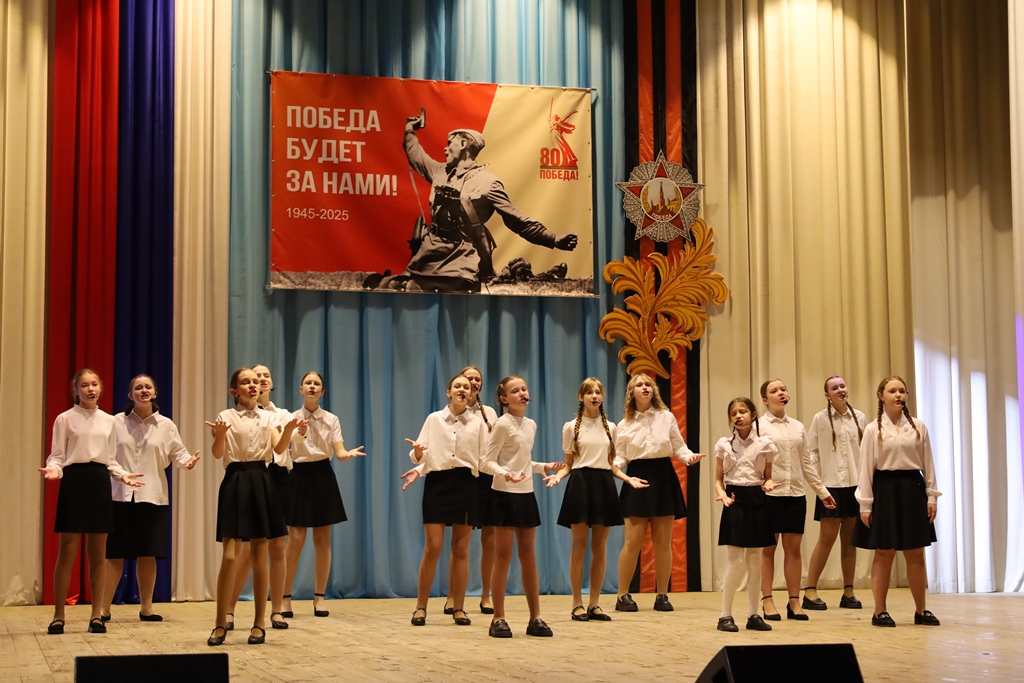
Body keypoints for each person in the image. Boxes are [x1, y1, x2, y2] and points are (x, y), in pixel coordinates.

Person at [368, 111, 579, 293]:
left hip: (461, 259)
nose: (445, 149)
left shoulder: (488, 183)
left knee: (444, 291)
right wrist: (409, 130)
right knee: (394, 286)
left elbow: (517, 220)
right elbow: (416, 156)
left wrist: (552, 238)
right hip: (427, 255)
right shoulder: (439, 172)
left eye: (449, 143)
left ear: (463, 144)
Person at [39, 369, 144, 635]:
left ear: (101, 388)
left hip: (99, 483)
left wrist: (122, 475)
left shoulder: (109, 421)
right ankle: (59, 615)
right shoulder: (64, 419)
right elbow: (57, 456)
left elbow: (110, 459)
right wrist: (54, 470)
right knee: (67, 552)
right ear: (76, 389)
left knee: (98, 554)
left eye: (94, 384)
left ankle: (96, 615)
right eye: (85, 385)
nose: (90, 389)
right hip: (74, 482)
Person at [204, 368, 303, 646]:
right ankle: (220, 622)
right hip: (235, 480)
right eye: (245, 382)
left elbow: (279, 449)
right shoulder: (226, 416)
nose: (253, 385)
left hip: (262, 479)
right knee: (230, 556)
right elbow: (217, 453)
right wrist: (220, 435)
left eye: (255, 382)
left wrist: (289, 431)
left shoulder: (270, 417)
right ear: (234, 391)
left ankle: (259, 623)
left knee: (261, 555)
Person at [544, 378, 647, 622]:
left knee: (600, 546)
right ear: (581, 397)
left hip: (604, 485)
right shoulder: (571, 427)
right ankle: (577, 604)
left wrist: (628, 479)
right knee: (579, 545)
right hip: (580, 484)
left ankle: (594, 604)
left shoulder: (611, 427)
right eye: (589, 392)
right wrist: (557, 477)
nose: (594, 396)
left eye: (598, 392)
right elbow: (568, 464)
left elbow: (611, 465)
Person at [400, 365, 499, 616]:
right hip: (438, 484)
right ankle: (421, 607)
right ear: (449, 392)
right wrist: (418, 457)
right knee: (433, 547)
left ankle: (459, 608)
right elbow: (421, 454)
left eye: (467, 387)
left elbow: (485, 460)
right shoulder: (434, 419)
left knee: (461, 549)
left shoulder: (479, 423)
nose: (463, 389)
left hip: (466, 484)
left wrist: (508, 473)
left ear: (472, 393)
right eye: (458, 386)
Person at [101, 374, 200, 622]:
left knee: (148, 553)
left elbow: (178, 453)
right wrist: (123, 476)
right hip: (120, 495)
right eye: (138, 387)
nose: (143, 390)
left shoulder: (166, 425)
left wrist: (188, 462)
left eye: (148, 387)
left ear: (154, 393)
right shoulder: (115, 422)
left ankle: (146, 608)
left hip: (152, 496)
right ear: (130, 395)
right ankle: (103, 609)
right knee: (114, 554)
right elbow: (107, 457)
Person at [853, 375, 941, 628]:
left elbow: (928, 463)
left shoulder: (918, 426)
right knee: (884, 551)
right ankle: (879, 610)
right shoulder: (873, 429)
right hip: (885, 489)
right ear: (881, 396)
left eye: (902, 390)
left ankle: (921, 610)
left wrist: (931, 496)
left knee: (915, 552)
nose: (898, 395)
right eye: (892, 391)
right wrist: (865, 504)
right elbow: (865, 469)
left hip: (912, 489)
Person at [613, 373, 704, 614]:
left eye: (648, 384)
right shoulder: (624, 424)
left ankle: (662, 595)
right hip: (637, 478)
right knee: (633, 542)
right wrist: (612, 468)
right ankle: (622, 595)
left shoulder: (666, 416)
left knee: (663, 543)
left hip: (664, 477)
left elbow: (678, 446)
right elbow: (620, 457)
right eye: (640, 385)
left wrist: (689, 457)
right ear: (632, 392)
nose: (645, 387)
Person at [479, 375, 562, 638]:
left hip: (526, 494)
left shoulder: (531, 424)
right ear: (504, 399)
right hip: (503, 495)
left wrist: (542, 466)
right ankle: (498, 618)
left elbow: (522, 461)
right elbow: (486, 462)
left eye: (524, 389)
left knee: (529, 556)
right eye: (515, 391)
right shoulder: (502, 424)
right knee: (503, 557)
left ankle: (535, 618)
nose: (522, 393)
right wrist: (505, 474)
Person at [283, 371, 365, 620]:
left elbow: (339, 451)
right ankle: (284, 598)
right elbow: (284, 445)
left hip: (322, 475)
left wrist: (347, 454)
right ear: (300, 389)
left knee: (323, 539)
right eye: (308, 383)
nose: (312, 386)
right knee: (296, 539)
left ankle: (319, 597)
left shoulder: (331, 419)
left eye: (316, 383)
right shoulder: (290, 417)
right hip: (298, 475)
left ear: (322, 391)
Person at [757, 379, 835, 621]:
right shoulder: (758, 426)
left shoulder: (798, 426)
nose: (781, 393)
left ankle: (794, 601)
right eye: (774, 391)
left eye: (783, 389)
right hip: (769, 495)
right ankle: (767, 600)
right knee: (768, 550)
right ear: (765, 400)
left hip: (795, 494)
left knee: (793, 551)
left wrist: (822, 491)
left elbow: (806, 462)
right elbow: (752, 461)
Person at [226, 364, 293, 631]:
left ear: (271, 383)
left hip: (278, 478)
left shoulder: (282, 414)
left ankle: (276, 610)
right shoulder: (235, 415)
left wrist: (295, 431)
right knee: (246, 551)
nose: (261, 380)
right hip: (252, 476)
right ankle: (229, 609)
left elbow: (293, 441)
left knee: (277, 547)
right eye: (256, 376)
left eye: (266, 376)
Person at [803, 376, 866, 611]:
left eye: (842, 386)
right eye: (834, 388)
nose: (840, 390)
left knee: (850, 540)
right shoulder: (820, 419)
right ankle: (810, 590)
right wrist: (814, 476)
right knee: (826, 539)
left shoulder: (859, 417)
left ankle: (848, 591)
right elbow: (811, 451)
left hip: (855, 486)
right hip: (831, 485)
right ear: (827, 395)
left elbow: (865, 451)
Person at [714, 397, 777, 632]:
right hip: (734, 499)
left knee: (755, 559)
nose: (738, 416)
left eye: (743, 412)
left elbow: (768, 476)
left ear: (753, 414)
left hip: (757, 500)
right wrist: (722, 495)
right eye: (734, 413)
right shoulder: (724, 445)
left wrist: (768, 484)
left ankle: (753, 614)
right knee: (735, 559)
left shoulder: (765, 444)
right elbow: (718, 479)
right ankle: (725, 615)